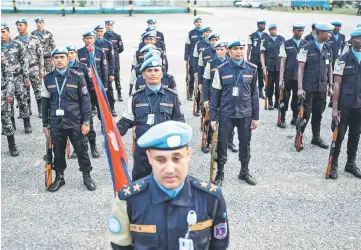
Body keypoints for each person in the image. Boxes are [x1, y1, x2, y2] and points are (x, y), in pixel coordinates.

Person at [107, 121, 229, 250]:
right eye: (160, 160)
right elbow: (120, 246)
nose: (170, 169)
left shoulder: (211, 198)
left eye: (176, 158)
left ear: (188, 155)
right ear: (149, 157)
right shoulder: (128, 200)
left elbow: (219, 244)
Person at [117, 58, 184, 181]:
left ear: (161, 74)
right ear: (143, 75)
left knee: (164, 182)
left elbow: (179, 122)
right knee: (140, 183)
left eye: (156, 70)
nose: (153, 73)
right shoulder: (136, 97)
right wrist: (113, 133)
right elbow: (126, 120)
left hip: (165, 149)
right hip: (143, 149)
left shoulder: (172, 96)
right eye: (149, 70)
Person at [41, 47, 95, 192]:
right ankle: (60, 177)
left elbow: (86, 102)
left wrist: (86, 122)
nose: (59, 60)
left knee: (82, 149)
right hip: (56, 123)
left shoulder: (78, 77)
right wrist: (45, 124)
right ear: (52, 61)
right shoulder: (47, 79)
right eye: (56, 58)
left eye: (62, 57)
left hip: (75, 121)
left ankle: (86, 176)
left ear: (67, 59)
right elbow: (45, 103)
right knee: (58, 151)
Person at [211, 40, 259, 186]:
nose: (239, 51)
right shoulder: (221, 69)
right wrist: (213, 117)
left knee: (245, 143)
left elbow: (254, 94)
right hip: (226, 113)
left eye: (241, 48)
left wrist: (255, 117)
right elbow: (215, 95)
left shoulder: (252, 69)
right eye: (235, 49)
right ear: (228, 51)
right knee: (222, 143)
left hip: (245, 113)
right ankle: (220, 173)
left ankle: (244, 171)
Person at [328, 28, 361, 180]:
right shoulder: (343, 59)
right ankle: (333, 166)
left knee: (355, 136)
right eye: (358, 38)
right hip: (345, 106)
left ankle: (350, 164)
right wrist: (335, 109)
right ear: (352, 40)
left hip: (359, 107)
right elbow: (337, 85)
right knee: (339, 136)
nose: (360, 41)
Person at [296, 23, 334, 150]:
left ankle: (315, 137)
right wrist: (300, 88)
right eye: (328, 32)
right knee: (305, 114)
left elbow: (330, 68)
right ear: (321, 33)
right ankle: (299, 136)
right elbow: (300, 69)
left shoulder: (328, 49)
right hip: (308, 88)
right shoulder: (306, 48)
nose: (330, 34)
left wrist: (330, 86)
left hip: (322, 88)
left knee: (318, 114)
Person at [66, 44, 100, 159]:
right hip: (71, 104)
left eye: (71, 53)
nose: (69, 56)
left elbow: (91, 86)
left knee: (88, 125)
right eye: (67, 54)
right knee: (74, 128)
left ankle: (93, 147)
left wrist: (93, 104)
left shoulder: (83, 67)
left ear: (75, 53)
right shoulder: (63, 69)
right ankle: (76, 149)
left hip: (84, 102)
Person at [1, 23, 32, 137]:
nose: (1, 34)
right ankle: (10, 125)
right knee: (7, 103)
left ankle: (27, 123)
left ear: (8, 32)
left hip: (17, 77)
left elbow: (25, 62)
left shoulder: (17, 45)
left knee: (22, 100)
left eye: (3, 31)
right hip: (4, 81)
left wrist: (26, 78)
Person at [278, 23, 308, 128]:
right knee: (284, 98)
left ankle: (295, 117)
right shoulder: (285, 44)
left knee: (297, 99)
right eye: (298, 30)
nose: (300, 33)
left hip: (299, 78)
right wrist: (281, 79)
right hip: (288, 76)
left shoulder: (306, 44)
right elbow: (282, 62)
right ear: (293, 31)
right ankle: (282, 118)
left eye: (301, 31)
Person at [14, 18, 44, 118]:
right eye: (17, 25)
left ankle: (40, 110)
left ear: (26, 26)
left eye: (21, 25)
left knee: (38, 90)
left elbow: (40, 55)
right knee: (23, 92)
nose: (19, 27)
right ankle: (27, 110)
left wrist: (41, 69)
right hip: (22, 71)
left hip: (33, 68)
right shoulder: (15, 41)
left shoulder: (34, 39)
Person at [202, 41, 228, 153]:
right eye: (217, 49)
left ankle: (228, 142)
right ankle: (208, 142)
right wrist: (205, 99)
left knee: (227, 119)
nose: (220, 52)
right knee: (211, 119)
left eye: (222, 49)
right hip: (213, 95)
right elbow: (206, 82)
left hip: (226, 96)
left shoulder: (230, 62)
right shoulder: (211, 63)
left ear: (226, 50)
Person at [77, 30, 108, 123]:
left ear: (94, 39)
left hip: (98, 84)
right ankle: (89, 128)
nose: (89, 40)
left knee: (101, 107)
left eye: (91, 38)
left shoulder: (100, 52)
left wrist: (105, 85)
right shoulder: (79, 52)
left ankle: (103, 125)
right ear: (83, 39)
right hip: (85, 84)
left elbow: (104, 69)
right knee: (87, 107)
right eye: (87, 38)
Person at [260, 23, 285, 110]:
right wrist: (263, 67)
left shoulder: (281, 39)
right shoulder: (265, 40)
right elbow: (262, 55)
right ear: (269, 30)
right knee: (269, 86)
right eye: (272, 29)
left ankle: (277, 101)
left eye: (275, 29)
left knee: (279, 86)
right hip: (269, 67)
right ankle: (270, 102)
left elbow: (285, 55)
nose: (274, 31)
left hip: (279, 67)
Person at [94, 24, 117, 117]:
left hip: (106, 73)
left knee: (109, 91)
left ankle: (112, 108)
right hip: (95, 72)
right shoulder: (92, 43)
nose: (99, 33)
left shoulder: (108, 44)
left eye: (101, 31)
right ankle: (96, 108)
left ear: (103, 32)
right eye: (97, 31)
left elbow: (112, 60)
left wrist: (111, 73)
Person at [247, 20, 269, 99]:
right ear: (257, 25)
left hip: (263, 59)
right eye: (261, 25)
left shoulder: (267, 35)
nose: (263, 26)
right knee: (252, 75)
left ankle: (261, 91)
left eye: (264, 25)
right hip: (254, 59)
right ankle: (251, 91)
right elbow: (249, 48)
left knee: (261, 75)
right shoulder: (252, 35)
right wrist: (247, 59)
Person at [104, 19, 124, 102]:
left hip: (115, 60)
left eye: (111, 25)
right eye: (108, 25)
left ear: (113, 26)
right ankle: (108, 94)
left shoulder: (117, 36)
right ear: (105, 25)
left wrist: (114, 54)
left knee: (117, 76)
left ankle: (119, 94)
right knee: (106, 76)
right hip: (105, 60)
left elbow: (121, 48)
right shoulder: (103, 36)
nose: (109, 26)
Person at [327, 20, 346, 108]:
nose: (338, 28)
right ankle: (329, 94)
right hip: (331, 61)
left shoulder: (342, 37)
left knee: (337, 81)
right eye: (336, 26)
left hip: (338, 62)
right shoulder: (328, 37)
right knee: (329, 79)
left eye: (339, 26)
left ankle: (332, 99)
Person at [185, 16, 203, 100]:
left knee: (201, 75)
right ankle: (191, 93)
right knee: (192, 75)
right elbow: (187, 46)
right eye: (197, 22)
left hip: (203, 58)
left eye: (200, 22)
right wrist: (186, 57)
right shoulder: (191, 33)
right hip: (193, 58)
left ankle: (200, 95)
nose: (199, 23)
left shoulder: (205, 32)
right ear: (194, 23)